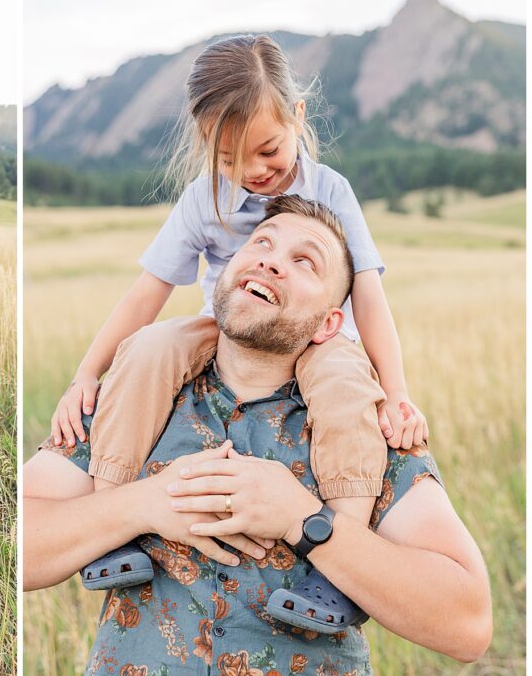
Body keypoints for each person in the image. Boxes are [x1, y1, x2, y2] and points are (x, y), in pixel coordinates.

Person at [23, 198, 491, 676]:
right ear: (227, 273)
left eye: (304, 261)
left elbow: (467, 622)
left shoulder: (366, 429)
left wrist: (304, 521)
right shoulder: (129, 399)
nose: (271, 261)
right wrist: (143, 504)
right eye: (261, 244)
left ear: (330, 324)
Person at [50, 34, 427, 630]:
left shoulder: (331, 190)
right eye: (228, 160)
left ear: (298, 117)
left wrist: (398, 390)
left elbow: (370, 296)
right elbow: (146, 292)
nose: (251, 173)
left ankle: (337, 564)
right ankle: (109, 522)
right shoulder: (206, 199)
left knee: (346, 385)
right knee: (148, 349)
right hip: (226, 329)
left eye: (268, 150)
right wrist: (85, 373)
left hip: (319, 337)